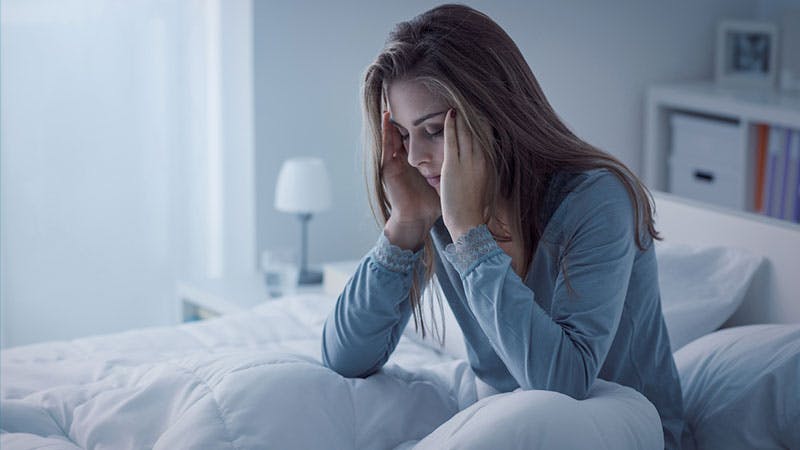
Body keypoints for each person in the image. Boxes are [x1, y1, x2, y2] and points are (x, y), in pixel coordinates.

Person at [321, 4, 686, 448]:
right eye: (402, 134)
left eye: (433, 131)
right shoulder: (436, 202)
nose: (414, 156)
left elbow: (563, 387)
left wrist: (470, 237)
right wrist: (407, 221)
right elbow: (344, 358)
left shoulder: (597, 200)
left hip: (626, 434)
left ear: (493, 114)